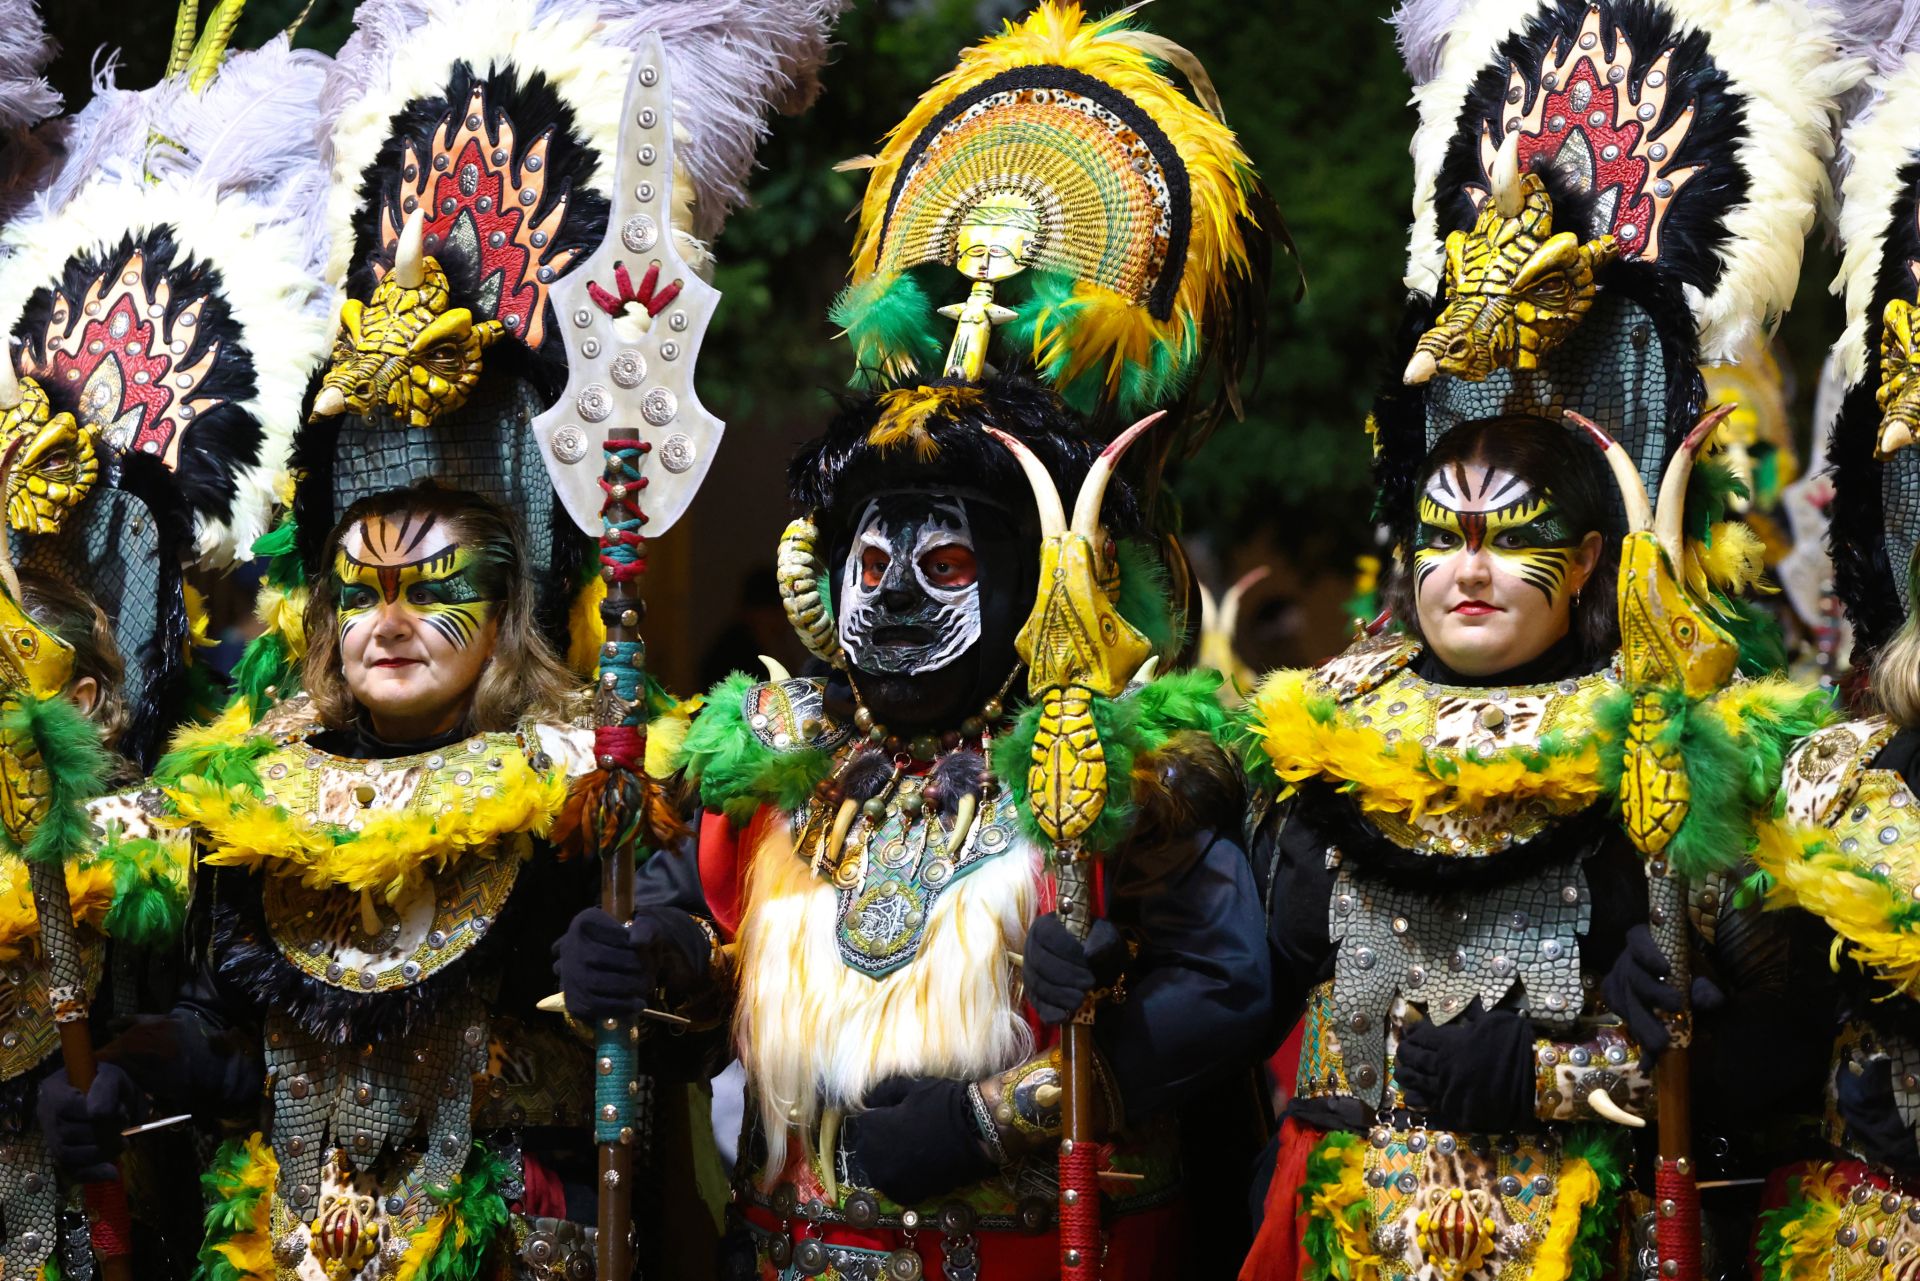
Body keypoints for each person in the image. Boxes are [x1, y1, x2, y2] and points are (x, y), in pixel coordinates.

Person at [555, 4, 1281, 1276]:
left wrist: (1002, 1113)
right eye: (868, 562)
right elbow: (694, 966)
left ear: (1034, 583)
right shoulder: (773, 764)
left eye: (942, 563)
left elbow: (1223, 995)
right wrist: (645, 970)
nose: (890, 595)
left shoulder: (1118, 769)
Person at [1235, 2, 1854, 1275]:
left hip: (1588, 1228)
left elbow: (1765, 1054)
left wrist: (1562, 1071)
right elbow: (1262, 985)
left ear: (1584, 568)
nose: (1463, 566)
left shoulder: (1682, 748)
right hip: (1344, 1229)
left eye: (1505, 533)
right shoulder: (1320, 737)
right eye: (1438, 533)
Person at [37, 484, 618, 1279]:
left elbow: (667, 1032)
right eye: (360, 596)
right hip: (292, 1241)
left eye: (433, 591)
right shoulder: (261, 793)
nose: (388, 624)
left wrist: (657, 965)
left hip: (507, 1237)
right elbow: (224, 1030)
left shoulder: (578, 788)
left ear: (504, 615)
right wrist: (117, 1074)